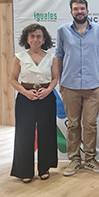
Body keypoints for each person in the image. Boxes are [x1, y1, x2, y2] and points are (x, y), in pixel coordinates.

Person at [56, 0, 99, 176]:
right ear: (71, 11)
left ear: (87, 10)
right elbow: (59, 56)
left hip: (93, 85)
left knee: (90, 124)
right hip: (69, 85)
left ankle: (90, 159)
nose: (79, 11)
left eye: (82, 8)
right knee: (72, 124)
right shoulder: (63, 31)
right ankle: (74, 159)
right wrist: (59, 81)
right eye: (76, 9)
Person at [10, 24, 58, 183]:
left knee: (47, 132)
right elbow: (13, 80)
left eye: (39, 36)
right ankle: (25, 170)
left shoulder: (51, 57)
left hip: (46, 97)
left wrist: (48, 90)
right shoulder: (19, 57)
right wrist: (26, 93)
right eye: (32, 36)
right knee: (24, 134)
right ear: (26, 39)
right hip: (25, 98)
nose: (35, 39)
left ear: (44, 39)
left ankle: (45, 168)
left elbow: (55, 78)